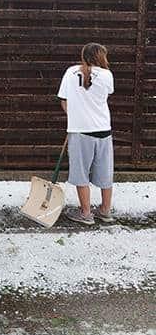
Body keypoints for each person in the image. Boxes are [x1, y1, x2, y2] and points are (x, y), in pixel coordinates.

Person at [57, 43, 115, 225]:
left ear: (84, 55)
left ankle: (86, 213)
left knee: (81, 172)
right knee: (106, 171)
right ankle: (105, 210)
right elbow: (104, 95)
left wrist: (74, 116)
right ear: (101, 57)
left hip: (80, 130)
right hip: (104, 129)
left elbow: (63, 100)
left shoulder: (71, 71)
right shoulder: (107, 75)